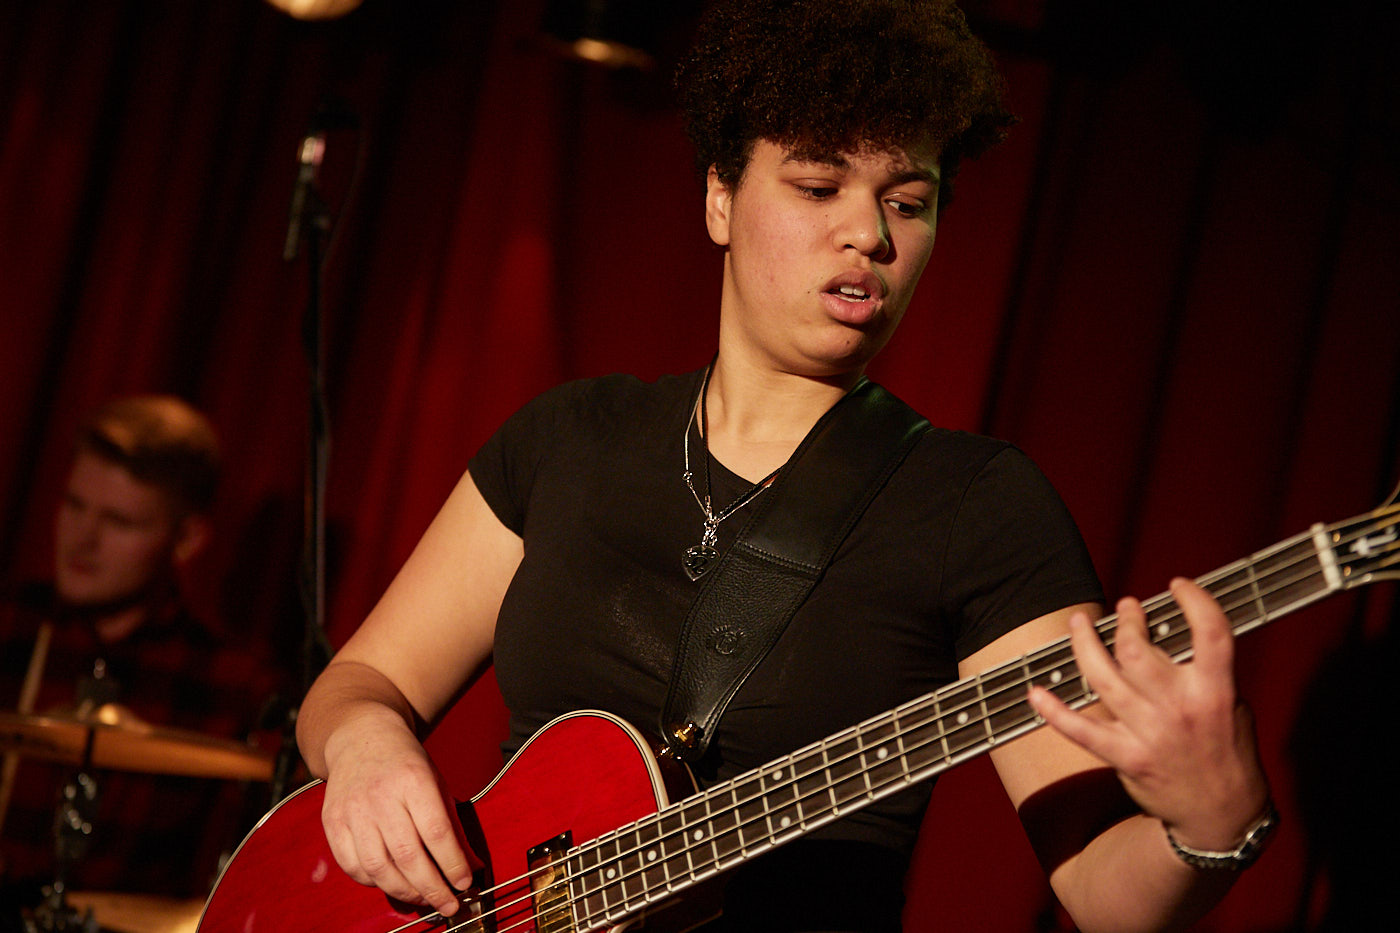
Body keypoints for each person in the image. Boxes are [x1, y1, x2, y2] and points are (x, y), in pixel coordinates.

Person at [295, 2, 1274, 930]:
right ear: (719, 198)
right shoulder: (570, 436)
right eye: (817, 188)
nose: (870, 235)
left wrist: (1213, 822)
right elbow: (359, 683)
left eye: (908, 202)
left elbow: (1105, 895)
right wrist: (362, 741)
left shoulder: (978, 507)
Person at [0, 396, 277, 905]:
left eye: (119, 522)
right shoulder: (11, 624)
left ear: (187, 538)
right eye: (74, 505)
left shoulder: (233, 683)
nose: (83, 539)